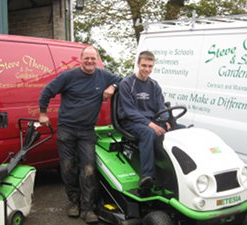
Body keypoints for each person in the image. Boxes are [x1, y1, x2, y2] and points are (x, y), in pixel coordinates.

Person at [38, 46, 121, 224]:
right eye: (87, 58)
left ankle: (87, 208)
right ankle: (74, 202)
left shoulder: (104, 75)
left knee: (89, 169)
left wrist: (113, 87)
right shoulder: (68, 76)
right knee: (67, 168)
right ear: (80, 59)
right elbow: (46, 92)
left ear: (97, 60)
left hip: (86, 131)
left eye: (93, 58)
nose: (90, 61)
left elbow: (123, 80)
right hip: (66, 129)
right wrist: (43, 114)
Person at [117, 50, 169, 194]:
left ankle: (171, 171)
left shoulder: (154, 85)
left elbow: (161, 106)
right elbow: (129, 111)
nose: (147, 69)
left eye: (150, 66)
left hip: (150, 120)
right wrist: (151, 124)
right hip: (130, 121)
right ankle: (147, 175)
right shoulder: (127, 83)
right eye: (144, 65)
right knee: (148, 133)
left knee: (180, 129)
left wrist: (165, 120)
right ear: (138, 64)